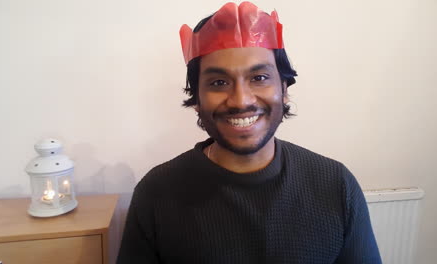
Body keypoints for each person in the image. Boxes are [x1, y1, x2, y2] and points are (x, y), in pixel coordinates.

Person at [117, 2, 382, 263]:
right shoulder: (156, 193)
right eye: (219, 82)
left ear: (285, 89)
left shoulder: (336, 186)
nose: (241, 101)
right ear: (196, 98)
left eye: (259, 78)